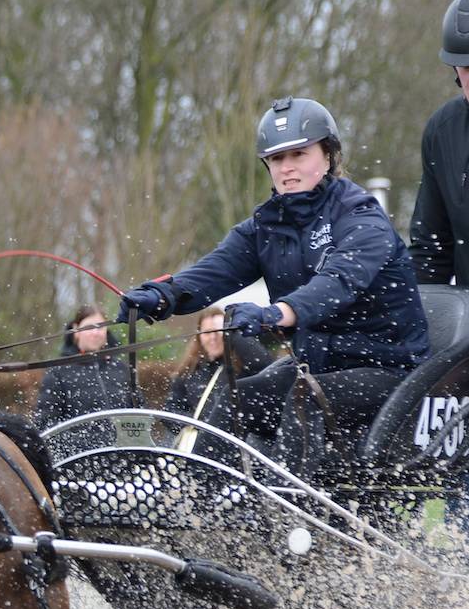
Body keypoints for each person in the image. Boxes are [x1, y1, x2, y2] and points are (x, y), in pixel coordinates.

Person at [118, 97, 429, 469]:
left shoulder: (360, 215)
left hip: (387, 370)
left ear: (328, 156)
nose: (287, 167)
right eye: (277, 158)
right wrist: (163, 295)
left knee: (304, 395)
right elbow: (214, 271)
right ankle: (199, 497)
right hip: (317, 366)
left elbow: (338, 283)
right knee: (235, 396)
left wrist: (275, 314)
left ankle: (285, 502)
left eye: (299, 154)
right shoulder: (266, 226)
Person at [411, 0, 469, 537]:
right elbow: (429, 252)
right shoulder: (443, 131)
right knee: (467, 525)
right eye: (467, 67)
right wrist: (410, 347)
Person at [32, 304, 143, 457]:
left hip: (125, 459)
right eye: (90, 327)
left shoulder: (122, 369)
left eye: (101, 327)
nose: (96, 333)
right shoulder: (58, 372)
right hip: (78, 461)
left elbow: (139, 413)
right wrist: (83, 445)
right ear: (76, 330)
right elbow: (47, 424)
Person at [162, 308, 274, 453]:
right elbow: (170, 411)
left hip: (238, 447)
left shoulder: (244, 367)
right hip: (197, 447)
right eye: (207, 332)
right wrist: (199, 424)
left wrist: (234, 330)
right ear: (199, 336)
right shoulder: (190, 370)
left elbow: (264, 364)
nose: (213, 338)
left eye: (218, 332)